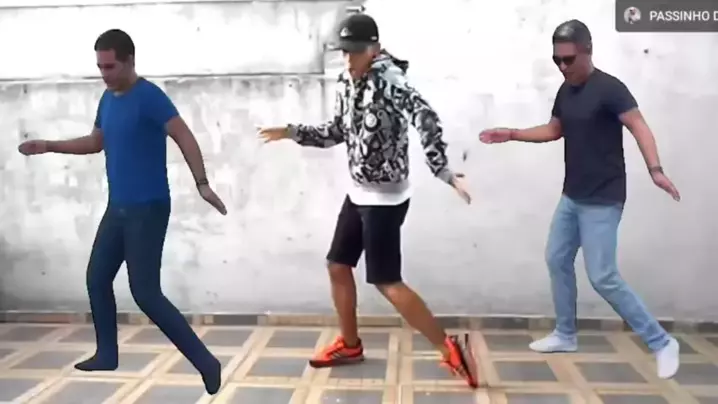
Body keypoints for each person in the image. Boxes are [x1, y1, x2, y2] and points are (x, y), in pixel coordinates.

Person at [258, 13, 478, 388]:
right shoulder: (348, 81)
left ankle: (449, 348)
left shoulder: (391, 81)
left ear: (374, 49)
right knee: (337, 265)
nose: (349, 59)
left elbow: (425, 117)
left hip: (385, 200)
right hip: (358, 193)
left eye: (356, 52)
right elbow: (337, 131)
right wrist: (292, 132)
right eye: (344, 52)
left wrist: (443, 170)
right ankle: (350, 345)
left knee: (387, 281)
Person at [17, 29, 227, 394]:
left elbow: (184, 136)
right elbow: (96, 142)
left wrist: (202, 183)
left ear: (130, 61)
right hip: (119, 207)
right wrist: (49, 145)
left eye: (110, 66)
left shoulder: (150, 97)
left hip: (149, 208)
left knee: (145, 293)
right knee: (97, 278)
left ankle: (206, 362)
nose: (105, 74)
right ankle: (107, 353)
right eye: (100, 66)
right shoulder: (107, 98)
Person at [479, 19, 681, 379]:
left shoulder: (610, 89)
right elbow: (554, 129)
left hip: (603, 198)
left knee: (603, 276)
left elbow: (639, 126)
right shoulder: (566, 90)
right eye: (557, 60)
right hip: (572, 196)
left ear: (587, 51)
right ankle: (565, 334)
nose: (562, 66)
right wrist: (511, 133)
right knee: (556, 258)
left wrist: (655, 169)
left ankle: (662, 342)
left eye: (569, 59)